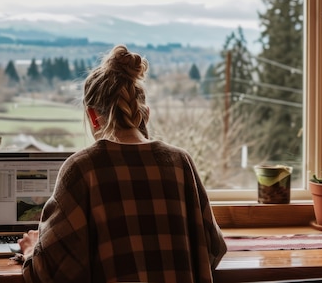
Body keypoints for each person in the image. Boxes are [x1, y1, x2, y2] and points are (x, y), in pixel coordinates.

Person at [19, 44, 227, 283]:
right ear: (145, 114)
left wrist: (30, 251)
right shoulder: (181, 162)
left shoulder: (82, 169)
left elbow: (54, 274)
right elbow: (214, 249)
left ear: (93, 116)